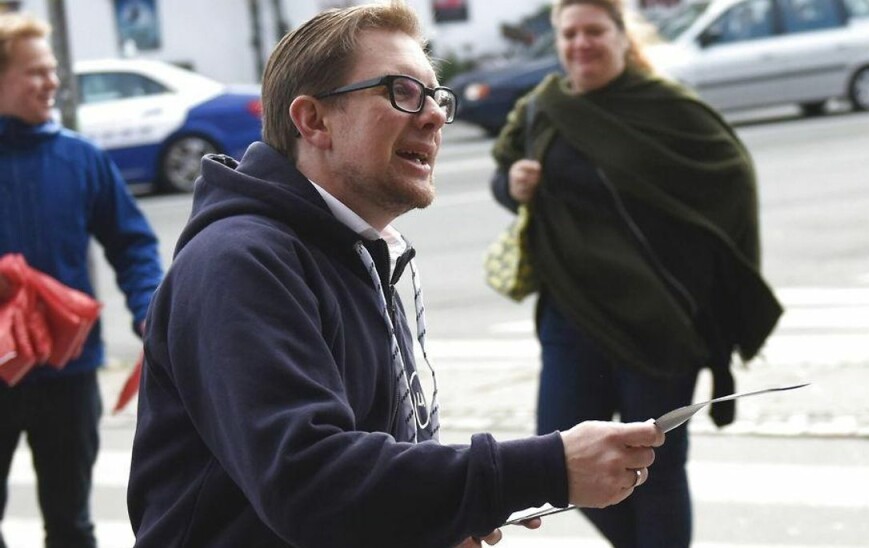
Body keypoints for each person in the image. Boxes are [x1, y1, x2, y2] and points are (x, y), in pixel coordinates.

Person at [126, 3, 667, 547]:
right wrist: (544, 467)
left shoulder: (352, 245)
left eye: (436, 97)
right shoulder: (239, 262)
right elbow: (311, 484)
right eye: (402, 92)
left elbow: (362, 481)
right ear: (314, 120)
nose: (432, 116)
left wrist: (430, 520)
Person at [489, 0, 783, 546]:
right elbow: (503, 167)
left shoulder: (668, 108)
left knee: (655, 469)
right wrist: (513, 185)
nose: (581, 44)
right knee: (558, 459)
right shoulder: (542, 107)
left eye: (594, 31)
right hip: (572, 314)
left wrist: (698, 278)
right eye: (569, 33)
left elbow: (732, 178)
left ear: (623, 37)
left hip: (662, 324)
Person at [0, 12, 164, 548]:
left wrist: (149, 309)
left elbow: (132, 242)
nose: (53, 83)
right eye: (36, 73)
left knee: (72, 526)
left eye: (52, 71)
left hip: (69, 373)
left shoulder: (80, 157)